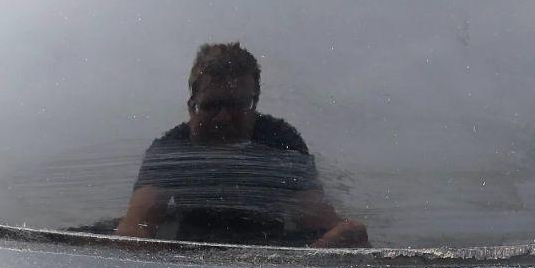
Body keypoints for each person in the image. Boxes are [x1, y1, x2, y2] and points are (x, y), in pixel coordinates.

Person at [115, 43, 367, 248]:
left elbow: (316, 217)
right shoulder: (169, 150)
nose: (223, 117)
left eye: (237, 105)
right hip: (188, 263)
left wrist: (339, 237)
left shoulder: (280, 142)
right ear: (192, 106)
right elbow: (137, 226)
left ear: (254, 105)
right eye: (212, 105)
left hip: (273, 263)